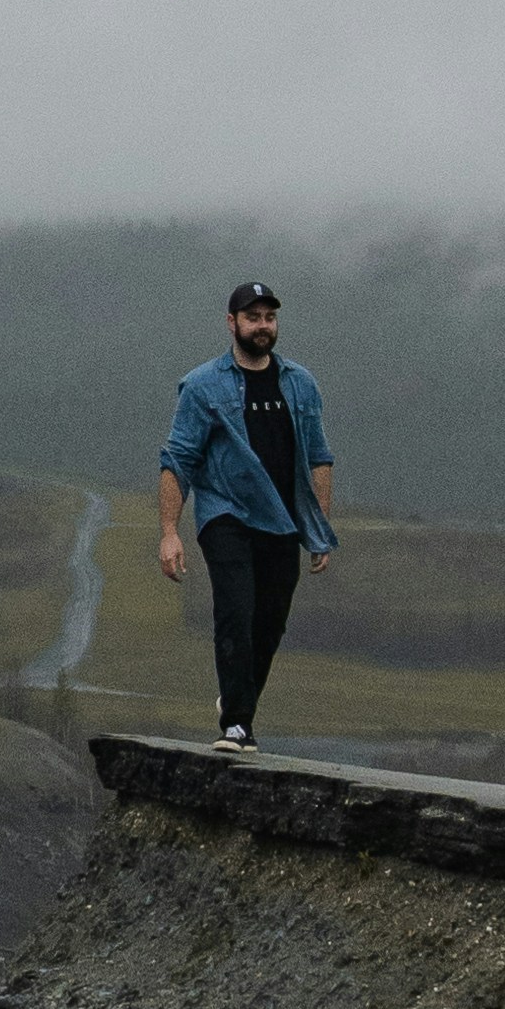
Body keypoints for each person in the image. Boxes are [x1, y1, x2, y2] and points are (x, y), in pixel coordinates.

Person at [156, 281, 335, 744]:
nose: (262, 326)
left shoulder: (300, 383)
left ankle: (237, 694)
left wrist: (319, 528)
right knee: (236, 611)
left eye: (269, 317)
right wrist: (169, 533)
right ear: (231, 323)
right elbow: (178, 459)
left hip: (283, 520)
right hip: (226, 516)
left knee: (269, 623)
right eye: (252, 317)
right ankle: (237, 725)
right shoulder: (202, 386)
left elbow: (318, 457)